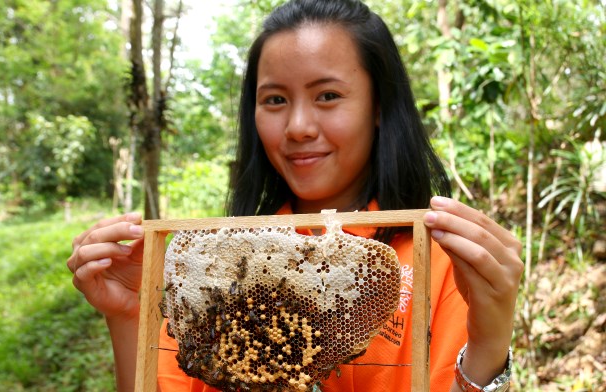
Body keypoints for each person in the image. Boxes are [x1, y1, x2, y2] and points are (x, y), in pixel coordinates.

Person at [67, 0, 524, 390]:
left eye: (327, 95)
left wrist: (488, 342)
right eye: (275, 100)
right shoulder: (215, 267)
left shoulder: (443, 261)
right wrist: (130, 316)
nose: (299, 127)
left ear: (379, 106)